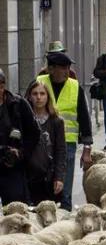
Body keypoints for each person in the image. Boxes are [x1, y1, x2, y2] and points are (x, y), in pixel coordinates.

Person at [37, 52, 93, 210]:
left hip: (67, 144)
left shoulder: (75, 87)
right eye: (63, 67)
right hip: (42, 144)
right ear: (51, 69)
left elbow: (84, 118)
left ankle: (65, 219)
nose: (67, 70)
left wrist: (87, 148)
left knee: (64, 188)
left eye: (68, 67)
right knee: (44, 186)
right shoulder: (39, 84)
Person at [0, 69, 40, 204]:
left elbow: (34, 132)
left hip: (12, 167)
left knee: (14, 209)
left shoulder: (17, 104)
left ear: (2, 86)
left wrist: (22, 153)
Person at [24, 80, 66, 205]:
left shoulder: (56, 122)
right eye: (35, 94)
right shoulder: (24, 120)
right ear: (29, 97)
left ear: (48, 97)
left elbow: (60, 151)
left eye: (42, 94)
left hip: (49, 176)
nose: (38, 97)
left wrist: (59, 177)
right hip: (29, 176)